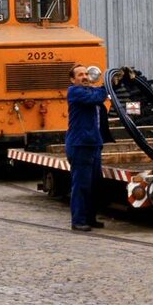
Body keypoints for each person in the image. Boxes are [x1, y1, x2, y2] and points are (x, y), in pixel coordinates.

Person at [66, 64, 109, 232]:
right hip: (80, 145)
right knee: (81, 185)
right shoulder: (74, 92)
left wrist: (114, 84)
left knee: (94, 184)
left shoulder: (90, 91)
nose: (85, 76)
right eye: (80, 74)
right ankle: (78, 220)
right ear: (72, 79)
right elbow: (97, 97)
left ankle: (90, 218)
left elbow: (97, 94)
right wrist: (107, 86)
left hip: (93, 144)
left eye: (86, 73)